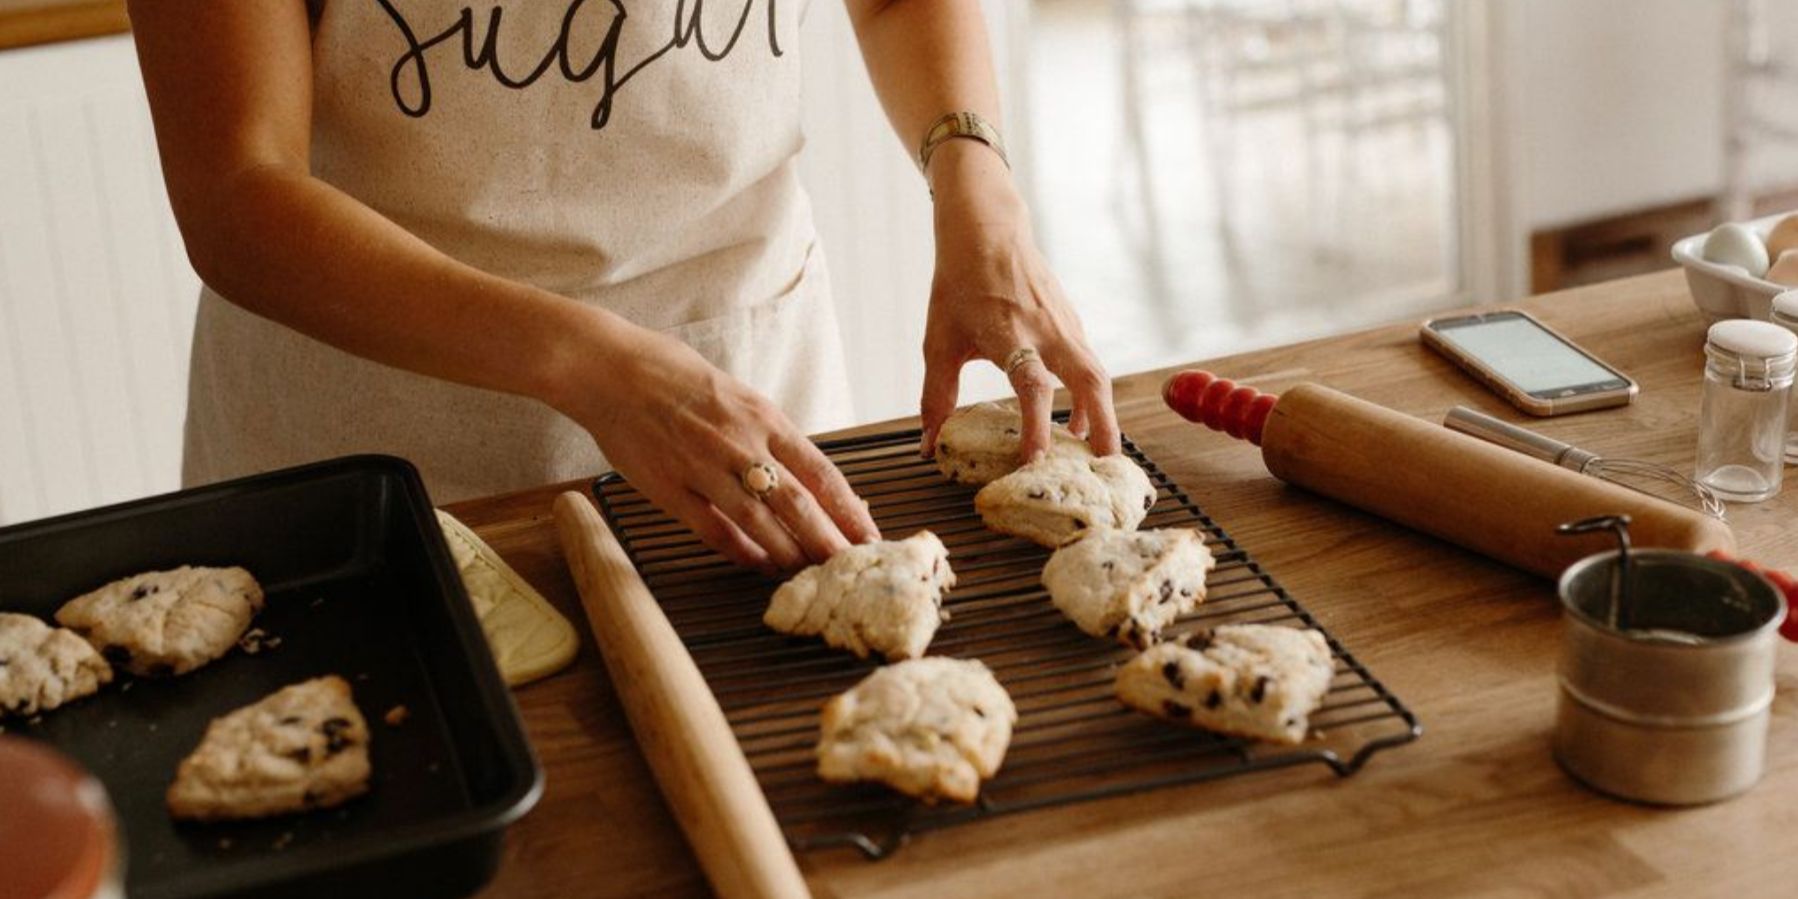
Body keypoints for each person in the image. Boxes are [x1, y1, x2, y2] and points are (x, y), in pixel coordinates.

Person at [129, 0, 1119, 574]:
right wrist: (592, 360)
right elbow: (237, 191)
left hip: (752, 378)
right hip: (383, 449)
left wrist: (973, 176)